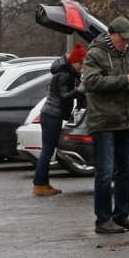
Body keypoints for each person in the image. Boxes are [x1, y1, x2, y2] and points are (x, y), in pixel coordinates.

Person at [81, 17, 129, 234]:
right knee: (105, 173)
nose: (126, 43)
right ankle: (102, 220)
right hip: (103, 122)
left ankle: (121, 216)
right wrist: (123, 80)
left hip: (125, 120)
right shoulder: (95, 53)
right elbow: (90, 83)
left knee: (127, 172)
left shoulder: (128, 52)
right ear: (113, 34)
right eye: (123, 39)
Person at [33, 43, 86, 195]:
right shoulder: (64, 75)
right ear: (74, 61)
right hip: (52, 115)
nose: (81, 66)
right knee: (47, 151)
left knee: (48, 150)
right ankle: (39, 184)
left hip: (51, 114)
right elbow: (64, 97)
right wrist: (80, 90)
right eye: (81, 63)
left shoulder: (65, 72)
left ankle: (43, 183)